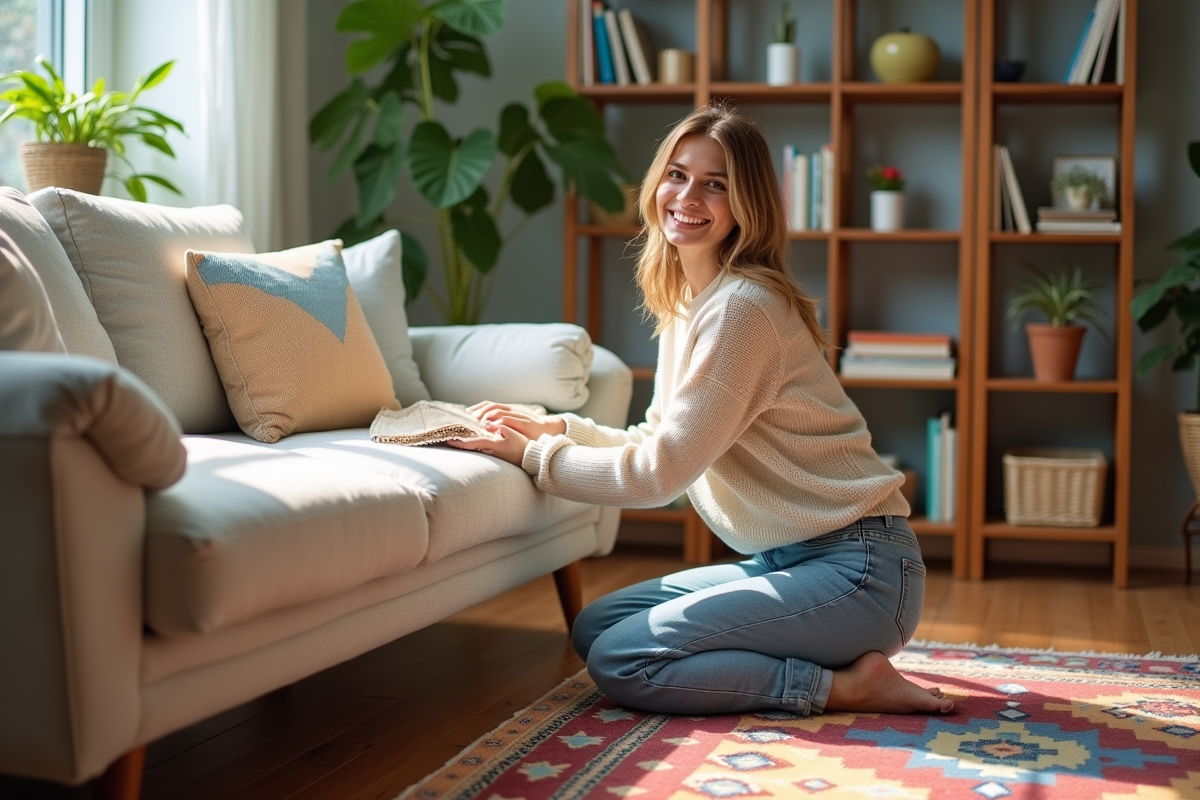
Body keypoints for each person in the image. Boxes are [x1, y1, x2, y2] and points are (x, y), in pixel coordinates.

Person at [447, 102, 954, 718]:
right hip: (787, 558)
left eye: (717, 184)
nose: (688, 195)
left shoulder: (743, 308)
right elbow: (657, 435)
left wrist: (534, 456)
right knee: (596, 628)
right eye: (677, 174)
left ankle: (845, 686)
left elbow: (660, 475)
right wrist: (559, 427)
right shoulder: (691, 305)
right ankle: (826, 653)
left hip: (862, 573)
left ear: (748, 205)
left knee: (622, 659)